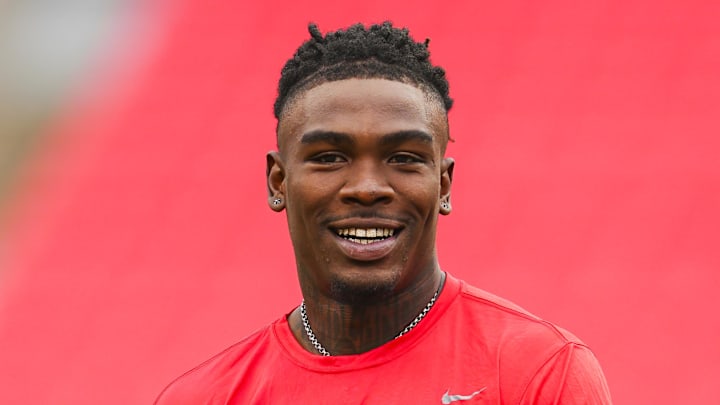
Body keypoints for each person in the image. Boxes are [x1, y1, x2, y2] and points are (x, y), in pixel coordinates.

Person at [155, 22, 612, 404]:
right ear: (279, 181)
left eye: (404, 158)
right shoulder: (203, 396)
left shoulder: (538, 373)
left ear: (443, 184)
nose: (367, 188)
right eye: (330, 157)